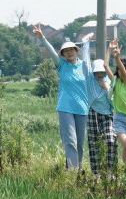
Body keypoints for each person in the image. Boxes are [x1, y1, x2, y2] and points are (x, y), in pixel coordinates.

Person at [33, 24, 91, 170]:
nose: (69, 52)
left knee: (80, 143)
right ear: (63, 54)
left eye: (72, 50)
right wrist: (42, 38)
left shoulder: (84, 66)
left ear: (76, 51)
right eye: (66, 51)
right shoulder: (62, 65)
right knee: (70, 141)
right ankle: (72, 172)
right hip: (65, 108)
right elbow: (52, 52)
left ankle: (78, 170)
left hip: (82, 108)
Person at [85, 36, 117, 177]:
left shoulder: (109, 81)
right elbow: (86, 62)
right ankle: (96, 173)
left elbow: (114, 102)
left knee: (110, 140)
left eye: (101, 72)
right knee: (94, 143)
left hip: (107, 115)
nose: (99, 74)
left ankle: (111, 170)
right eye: (96, 72)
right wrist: (86, 43)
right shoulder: (89, 79)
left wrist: (106, 88)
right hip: (93, 114)